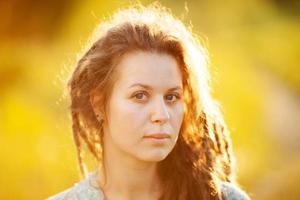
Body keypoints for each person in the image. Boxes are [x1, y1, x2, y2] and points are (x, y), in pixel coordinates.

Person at [47, 2, 250, 200]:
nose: (162, 115)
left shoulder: (222, 198)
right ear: (99, 103)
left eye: (171, 97)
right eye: (140, 96)